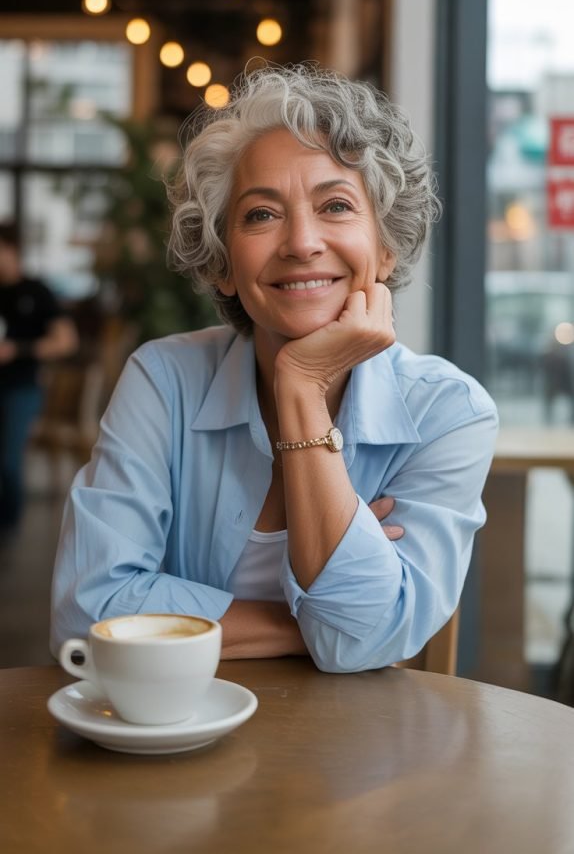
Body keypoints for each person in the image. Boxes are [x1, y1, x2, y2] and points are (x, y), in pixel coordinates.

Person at [50, 65, 498, 672]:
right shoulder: (164, 380)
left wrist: (302, 389)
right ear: (222, 264)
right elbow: (87, 615)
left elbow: (365, 638)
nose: (302, 242)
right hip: (172, 725)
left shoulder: (447, 412)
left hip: (354, 732)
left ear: (386, 247)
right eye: (261, 215)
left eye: (336, 205)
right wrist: (313, 622)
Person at [0, 222, 78, 532]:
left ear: (12, 249)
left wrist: (18, 350)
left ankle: (9, 528)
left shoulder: (36, 291)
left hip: (21, 387)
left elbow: (66, 341)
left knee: (9, 462)